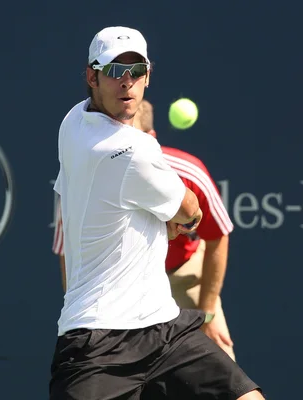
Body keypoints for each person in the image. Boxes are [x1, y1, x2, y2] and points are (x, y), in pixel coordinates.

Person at [49, 26, 264, 400]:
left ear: (149, 75)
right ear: (92, 76)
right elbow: (190, 209)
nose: (127, 82)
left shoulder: (72, 122)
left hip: (163, 326)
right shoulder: (135, 150)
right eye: (115, 71)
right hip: (99, 341)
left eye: (136, 71)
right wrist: (181, 221)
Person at [53, 99, 238, 361]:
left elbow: (217, 234)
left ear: (151, 139)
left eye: (132, 137)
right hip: (117, 284)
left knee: (223, 373)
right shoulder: (86, 177)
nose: (124, 148)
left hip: (183, 274)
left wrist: (207, 311)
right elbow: (67, 251)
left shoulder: (189, 172)